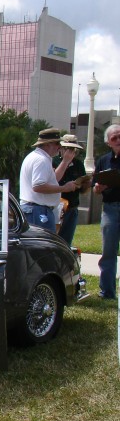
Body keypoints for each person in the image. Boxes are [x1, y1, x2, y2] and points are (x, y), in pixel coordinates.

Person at [19, 127, 77, 233]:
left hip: (34, 210)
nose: (59, 147)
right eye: (56, 144)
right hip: (38, 211)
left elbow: (52, 180)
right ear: (47, 144)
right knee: (44, 247)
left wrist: (65, 161)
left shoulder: (37, 157)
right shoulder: (41, 160)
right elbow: (38, 186)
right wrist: (64, 188)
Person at [91, 124, 120, 299]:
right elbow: (95, 189)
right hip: (110, 209)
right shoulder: (103, 160)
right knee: (108, 251)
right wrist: (98, 188)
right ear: (108, 143)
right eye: (114, 138)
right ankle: (107, 292)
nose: (118, 140)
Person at [53, 134, 89, 245]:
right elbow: (52, 181)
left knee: (66, 241)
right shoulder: (54, 162)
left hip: (72, 207)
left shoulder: (78, 164)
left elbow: (83, 189)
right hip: (57, 206)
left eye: (73, 149)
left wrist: (85, 184)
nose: (70, 151)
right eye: (67, 148)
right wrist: (65, 162)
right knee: (54, 240)